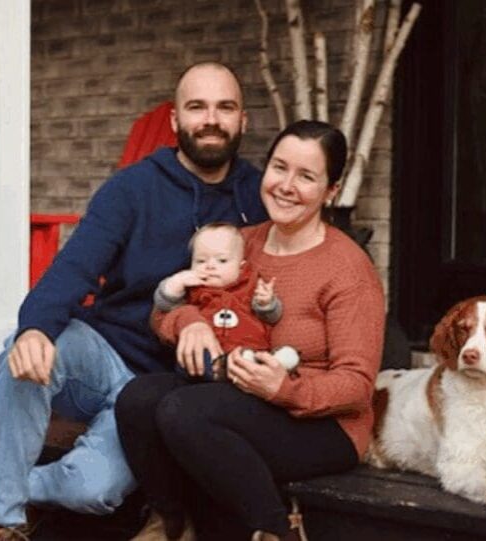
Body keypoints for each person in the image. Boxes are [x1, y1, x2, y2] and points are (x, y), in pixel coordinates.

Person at [0, 61, 268, 541]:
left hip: (158, 391)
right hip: (104, 351)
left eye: (224, 107)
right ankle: (0, 519)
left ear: (243, 120)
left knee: (95, 491)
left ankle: (14, 483)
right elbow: (74, 267)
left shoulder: (260, 196)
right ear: (174, 121)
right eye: (197, 107)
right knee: (25, 351)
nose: (211, 119)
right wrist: (35, 329)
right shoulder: (132, 188)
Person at [115, 120, 386, 541]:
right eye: (280, 168)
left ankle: (277, 530)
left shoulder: (348, 268)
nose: (286, 185)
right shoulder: (241, 243)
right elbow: (164, 311)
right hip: (239, 396)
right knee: (138, 398)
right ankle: (171, 522)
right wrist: (189, 323)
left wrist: (286, 390)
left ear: (330, 191)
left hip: (322, 425)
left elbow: (356, 385)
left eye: (307, 176)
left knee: (185, 410)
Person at [154, 222, 284, 380]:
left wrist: (266, 303)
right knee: (192, 359)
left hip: (246, 350)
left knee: (253, 359)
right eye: (201, 261)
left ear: (241, 266)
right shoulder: (194, 286)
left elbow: (272, 318)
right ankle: (211, 371)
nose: (210, 266)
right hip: (205, 354)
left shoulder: (251, 284)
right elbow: (164, 306)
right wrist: (175, 284)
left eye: (221, 261)